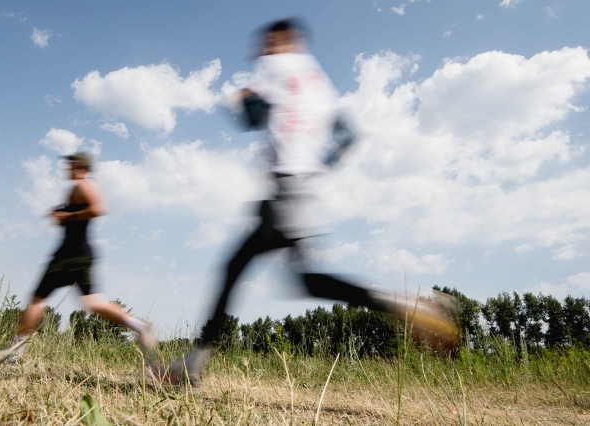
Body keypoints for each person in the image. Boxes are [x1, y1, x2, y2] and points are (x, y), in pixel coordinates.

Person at [157, 18, 458, 386]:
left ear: (288, 39)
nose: (262, 50)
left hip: (286, 189)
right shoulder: (319, 83)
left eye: (269, 42)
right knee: (305, 282)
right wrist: (317, 167)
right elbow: (348, 134)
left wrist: (244, 97)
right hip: (296, 191)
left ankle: (190, 367)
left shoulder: (278, 66)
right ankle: (191, 365)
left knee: (238, 269)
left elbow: (252, 119)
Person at [8, 152, 156, 364]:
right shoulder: (78, 188)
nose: (67, 168)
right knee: (93, 303)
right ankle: (138, 326)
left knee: (37, 300)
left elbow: (97, 208)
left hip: (69, 254)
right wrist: (61, 215)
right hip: (82, 253)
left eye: (70, 164)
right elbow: (78, 216)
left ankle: (14, 355)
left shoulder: (84, 185)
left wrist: (67, 215)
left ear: (78, 165)